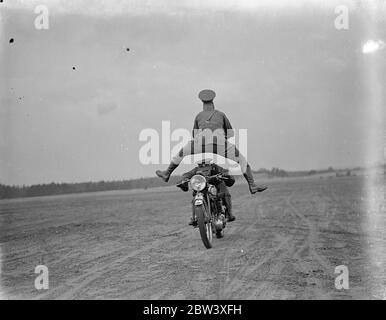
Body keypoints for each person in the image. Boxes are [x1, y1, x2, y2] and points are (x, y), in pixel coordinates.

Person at [156, 89, 267, 194]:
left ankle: (167, 174)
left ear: (203, 104)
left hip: (200, 143)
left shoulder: (198, 116)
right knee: (242, 161)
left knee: (180, 153)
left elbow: (194, 135)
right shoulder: (221, 114)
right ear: (213, 103)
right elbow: (230, 134)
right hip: (220, 144)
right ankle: (252, 186)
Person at [177, 159, 235, 226]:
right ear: (198, 165)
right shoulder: (195, 170)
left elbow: (224, 170)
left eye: (205, 165)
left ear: (209, 164)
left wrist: (225, 173)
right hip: (203, 185)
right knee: (195, 197)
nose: (203, 166)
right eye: (201, 165)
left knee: (225, 193)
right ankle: (195, 217)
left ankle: (229, 213)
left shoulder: (215, 167)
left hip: (216, 183)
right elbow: (186, 174)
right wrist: (184, 179)